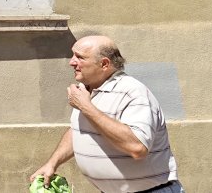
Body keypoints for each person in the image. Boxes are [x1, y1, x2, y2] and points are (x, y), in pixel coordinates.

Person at [30, 35, 182, 193]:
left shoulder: (132, 93)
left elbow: (137, 147)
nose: (72, 62)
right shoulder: (87, 90)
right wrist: (52, 163)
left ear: (104, 64)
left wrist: (86, 107)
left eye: (80, 57)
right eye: (73, 55)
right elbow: (79, 130)